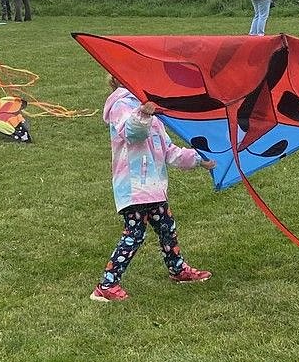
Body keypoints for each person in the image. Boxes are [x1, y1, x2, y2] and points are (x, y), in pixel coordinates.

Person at [90, 76, 217, 303]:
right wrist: (144, 113)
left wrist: (199, 159)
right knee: (134, 234)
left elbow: (169, 151)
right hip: (134, 188)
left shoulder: (150, 110)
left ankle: (177, 269)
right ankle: (106, 285)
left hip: (155, 187)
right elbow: (132, 133)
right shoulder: (120, 104)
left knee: (167, 228)